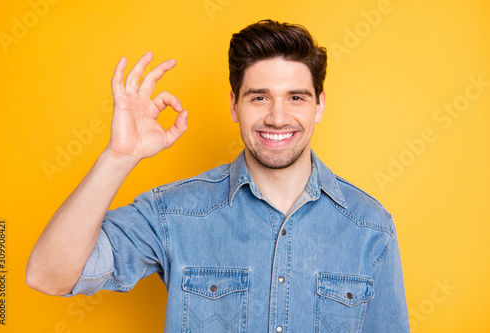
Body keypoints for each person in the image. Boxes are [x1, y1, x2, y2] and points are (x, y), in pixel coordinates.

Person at [26, 19, 410, 332]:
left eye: (296, 97)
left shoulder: (370, 227)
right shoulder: (173, 213)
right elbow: (48, 275)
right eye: (259, 97)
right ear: (234, 104)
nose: (278, 117)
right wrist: (119, 157)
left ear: (319, 105)